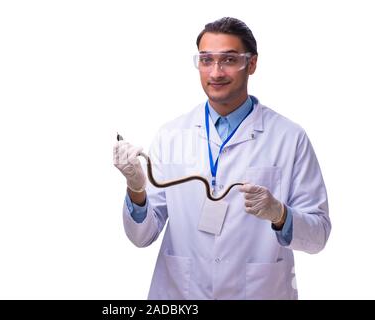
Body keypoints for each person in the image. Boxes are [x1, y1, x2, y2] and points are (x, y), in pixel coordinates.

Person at [113, 17, 331, 300]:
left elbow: (319, 236)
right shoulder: (172, 135)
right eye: (206, 60)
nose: (215, 72)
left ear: (251, 64)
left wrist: (280, 215)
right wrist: (136, 188)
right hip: (181, 294)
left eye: (228, 59)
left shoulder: (290, 138)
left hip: (259, 292)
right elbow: (142, 236)